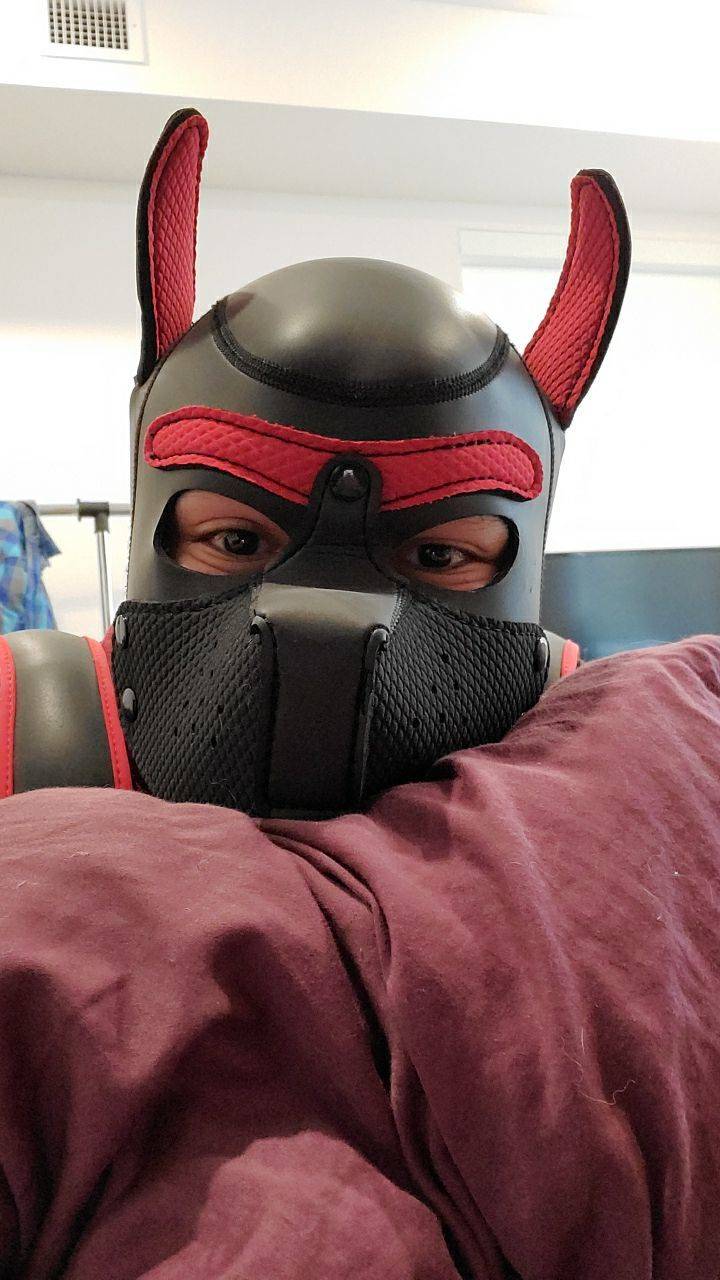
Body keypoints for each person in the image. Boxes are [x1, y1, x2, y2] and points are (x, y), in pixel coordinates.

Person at [0, 111, 718, 1279]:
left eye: (437, 553)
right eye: (237, 536)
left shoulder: (599, 754)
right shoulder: (22, 730)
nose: (333, 621)